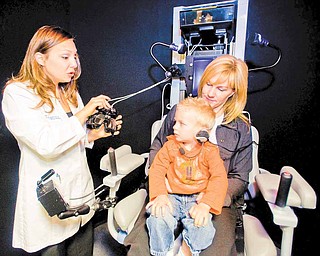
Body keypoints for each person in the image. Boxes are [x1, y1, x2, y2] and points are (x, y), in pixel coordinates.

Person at [1, 25, 122, 255]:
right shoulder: (18, 93)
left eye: (75, 56)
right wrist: (85, 112)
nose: (74, 64)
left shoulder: (69, 92)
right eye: (65, 57)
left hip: (81, 199)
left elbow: (73, 137)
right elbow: (46, 144)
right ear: (40, 58)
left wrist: (93, 135)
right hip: (50, 207)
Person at [124, 54, 252, 256]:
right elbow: (158, 147)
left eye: (221, 89)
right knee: (143, 244)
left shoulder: (241, 128)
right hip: (171, 191)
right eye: (208, 84)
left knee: (213, 249)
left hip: (215, 197)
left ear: (234, 92)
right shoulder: (180, 111)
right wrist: (160, 189)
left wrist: (210, 199)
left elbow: (239, 177)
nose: (210, 93)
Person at [146, 97, 228, 256]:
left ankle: (186, 250)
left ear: (201, 131)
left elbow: (219, 179)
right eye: (175, 122)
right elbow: (156, 169)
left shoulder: (210, 152)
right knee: (157, 217)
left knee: (203, 228)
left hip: (197, 199)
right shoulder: (170, 146)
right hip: (171, 197)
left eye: (181, 124)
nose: (175, 127)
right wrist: (160, 195)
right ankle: (163, 252)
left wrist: (206, 205)